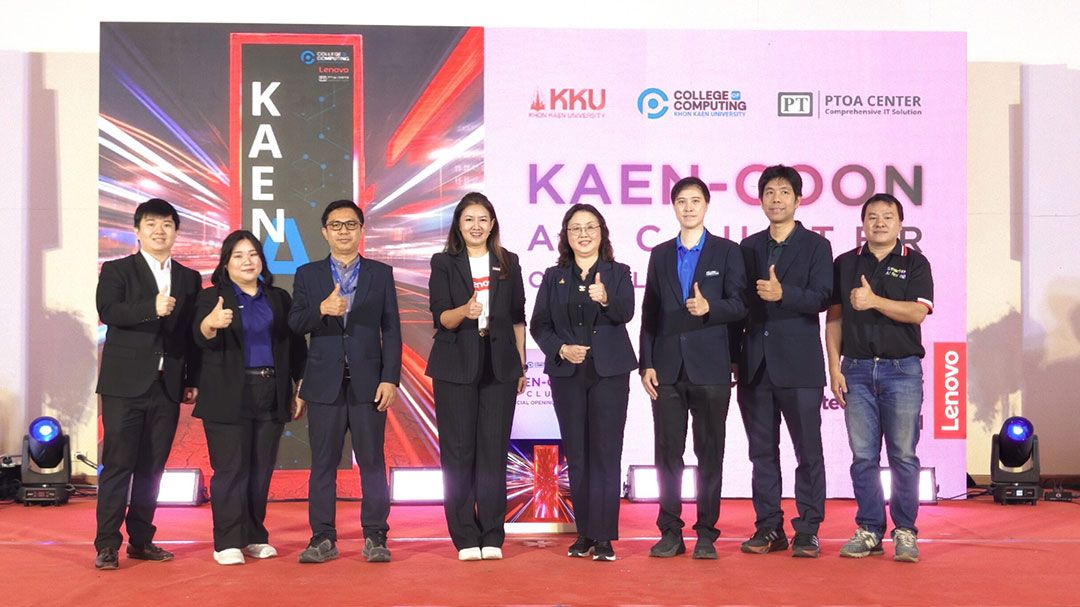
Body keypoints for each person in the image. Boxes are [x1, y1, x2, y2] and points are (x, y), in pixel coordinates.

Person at [639, 176, 747, 559]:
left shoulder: (727, 252)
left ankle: (706, 533)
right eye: (681, 201)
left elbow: (741, 305)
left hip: (712, 368)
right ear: (674, 207)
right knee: (667, 453)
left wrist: (709, 308)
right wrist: (646, 362)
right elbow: (649, 312)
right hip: (667, 368)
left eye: (695, 201)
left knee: (710, 453)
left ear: (706, 206)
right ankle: (670, 531)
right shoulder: (660, 254)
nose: (688, 207)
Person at [288, 200, 402, 564]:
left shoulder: (380, 274)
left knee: (372, 462)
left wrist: (390, 378)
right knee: (323, 463)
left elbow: (391, 329)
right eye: (336, 225)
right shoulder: (308, 274)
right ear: (325, 232)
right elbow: (294, 324)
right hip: (324, 383)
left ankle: (376, 535)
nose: (343, 231)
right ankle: (322, 537)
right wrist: (321, 310)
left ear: (361, 230)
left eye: (351, 225)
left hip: (369, 384)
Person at [825, 193, 934, 563]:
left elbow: (918, 313)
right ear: (863, 223)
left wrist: (874, 302)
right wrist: (834, 367)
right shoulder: (845, 263)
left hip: (901, 370)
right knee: (863, 457)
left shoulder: (915, 262)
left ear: (900, 223)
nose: (880, 223)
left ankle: (905, 531)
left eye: (888, 216)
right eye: (872, 216)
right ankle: (870, 528)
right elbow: (834, 319)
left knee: (903, 455)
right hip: (855, 370)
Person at [93, 198, 201, 570]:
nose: (159, 230)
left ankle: (141, 540)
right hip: (124, 385)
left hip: (167, 386)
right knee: (118, 464)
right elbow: (108, 311)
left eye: (167, 224)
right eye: (151, 224)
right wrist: (149, 308)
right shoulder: (117, 269)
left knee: (152, 468)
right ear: (137, 231)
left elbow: (189, 334)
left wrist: (191, 378)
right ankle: (107, 544)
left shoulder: (188, 278)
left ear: (176, 232)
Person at [732, 165, 833, 558]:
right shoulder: (747, 247)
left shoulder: (816, 246)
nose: (776, 199)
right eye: (769, 192)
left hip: (800, 366)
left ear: (798, 199)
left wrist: (783, 294)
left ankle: (808, 529)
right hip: (755, 365)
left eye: (784, 192)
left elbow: (822, 297)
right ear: (760, 200)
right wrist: (733, 356)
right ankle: (768, 526)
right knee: (761, 453)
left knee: (808, 452)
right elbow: (738, 306)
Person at [192, 230, 307, 565]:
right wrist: (210, 324)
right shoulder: (211, 298)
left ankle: (255, 535)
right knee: (230, 469)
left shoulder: (278, 298)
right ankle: (227, 541)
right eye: (239, 255)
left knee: (260, 469)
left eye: (253, 254)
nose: (247, 261)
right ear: (226, 263)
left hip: (271, 390)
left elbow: (295, 346)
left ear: (262, 260)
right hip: (227, 393)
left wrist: (300, 385)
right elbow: (197, 338)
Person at [530, 203, 637, 562]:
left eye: (590, 227)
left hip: (610, 372)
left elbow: (626, 312)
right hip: (568, 374)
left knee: (606, 453)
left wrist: (605, 299)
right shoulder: (553, 276)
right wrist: (561, 349)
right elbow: (540, 325)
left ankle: (604, 537)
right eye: (576, 228)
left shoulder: (618, 272)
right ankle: (585, 533)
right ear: (566, 236)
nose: (584, 234)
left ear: (602, 233)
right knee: (577, 454)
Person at [426, 192, 527, 562]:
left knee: (493, 452)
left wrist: (520, 365)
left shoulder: (508, 262)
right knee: (458, 452)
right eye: (469, 219)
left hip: (500, 366)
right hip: (455, 365)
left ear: (492, 223)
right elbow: (441, 317)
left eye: (483, 219)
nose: (476, 226)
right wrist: (464, 311)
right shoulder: (443, 263)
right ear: (458, 224)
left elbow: (518, 317)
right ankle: (465, 535)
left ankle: (492, 534)